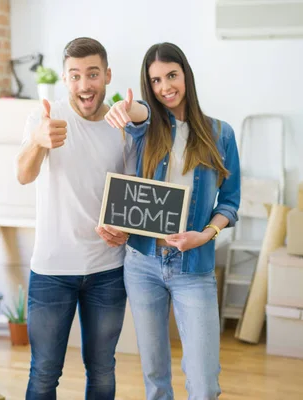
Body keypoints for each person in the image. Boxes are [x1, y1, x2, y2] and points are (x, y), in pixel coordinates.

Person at [98, 42, 241, 399]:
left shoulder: (220, 133)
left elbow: (231, 202)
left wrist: (205, 235)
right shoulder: (146, 128)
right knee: (155, 374)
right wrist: (122, 106)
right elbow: (136, 112)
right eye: (156, 80)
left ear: (185, 75)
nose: (166, 87)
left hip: (193, 267)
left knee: (204, 380)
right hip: (142, 263)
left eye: (172, 75)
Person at [16, 37, 136, 400]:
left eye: (93, 74)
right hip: (52, 270)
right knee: (44, 373)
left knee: (102, 370)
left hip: (107, 271)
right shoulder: (44, 120)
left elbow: (131, 198)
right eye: (75, 75)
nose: (85, 84)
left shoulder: (124, 127)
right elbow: (23, 175)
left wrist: (127, 230)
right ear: (65, 80)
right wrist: (38, 141)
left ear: (107, 76)